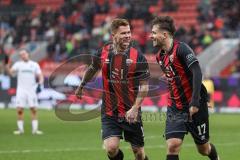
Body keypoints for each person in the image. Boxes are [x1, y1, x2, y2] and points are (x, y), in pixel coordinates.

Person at [75, 18, 150, 160]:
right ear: (113, 35)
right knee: (111, 149)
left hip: (131, 111)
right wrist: (82, 85)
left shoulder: (138, 56)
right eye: (123, 33)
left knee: (139, 153)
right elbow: (92, 69)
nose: (128, 36)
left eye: (129, 32)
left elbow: (145, 85)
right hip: (110, 111)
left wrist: (135, 108)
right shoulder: (102, 53)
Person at [150, 16, 220, 160]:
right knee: (173, 145)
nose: (151, 36)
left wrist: (195, 101)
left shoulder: (181, 49)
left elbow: (197, 71)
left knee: (203, 149)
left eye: (154, 32)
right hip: (175, 107)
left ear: (164, 34)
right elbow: (176, 75)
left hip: (195, 105)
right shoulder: (159, 57)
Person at [6, 49, 44, 135]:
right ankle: (20, 130)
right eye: (21, 55)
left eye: (24, 54)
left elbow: (40, 75)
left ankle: (35, 130)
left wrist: (40, 83)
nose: (23, 55)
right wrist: (7, 67)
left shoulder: (34, 65)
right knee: (20, 109)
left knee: (33, 109)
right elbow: (11, 73)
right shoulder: (18, 65)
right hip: (21, 90)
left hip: (32, 90)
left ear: (28, 54)